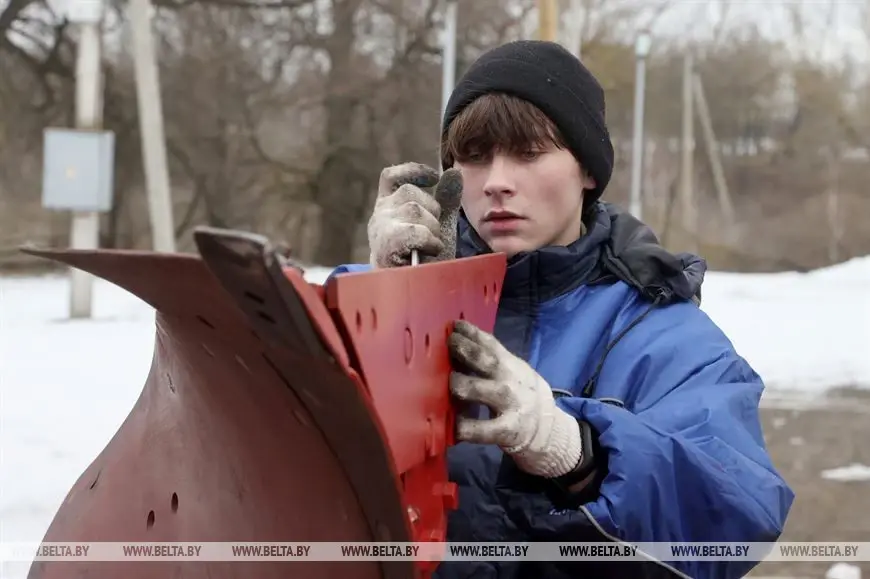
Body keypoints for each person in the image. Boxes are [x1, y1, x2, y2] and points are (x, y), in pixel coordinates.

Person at [329, 40, 793, 579]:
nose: (498, 180)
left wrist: (576, 451)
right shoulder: (389, 293)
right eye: (475, 156)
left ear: (588, 171)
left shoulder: (665, 335)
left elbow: (734, 517)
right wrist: (387, 307)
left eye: (528, 153)